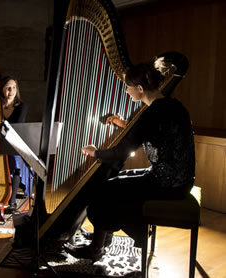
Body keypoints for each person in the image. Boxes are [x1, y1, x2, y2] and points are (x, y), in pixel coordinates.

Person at [64, 57, 195, 262]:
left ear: (140, 88)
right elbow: (152, 132)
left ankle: (96, 249)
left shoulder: (152, 113)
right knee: (115, 182)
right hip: (181, 180)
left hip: (167, 184)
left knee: (104, 191)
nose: (126, 91)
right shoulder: (171, 105)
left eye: (128, 87)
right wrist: (121, 123)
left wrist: (95, 152)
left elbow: (121, 152)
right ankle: (102, 240)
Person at [0, 76, 34, 212]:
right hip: (0, 142)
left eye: (13, 87)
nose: (11, 91)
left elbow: (15, 127)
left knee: (14, 162)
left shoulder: (21, 107)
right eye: (8, 87)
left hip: (15, 143)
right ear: (2, 90)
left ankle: (12, 201)